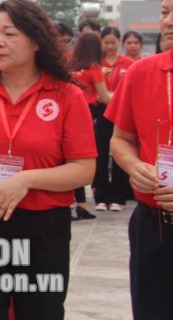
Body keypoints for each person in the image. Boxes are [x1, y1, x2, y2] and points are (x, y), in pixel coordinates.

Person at [0, 0, 96, 320]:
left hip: (42, 227)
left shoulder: (66, 96)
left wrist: (26, 179)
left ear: (37, 41)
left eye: (9, 34)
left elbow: (84, 170)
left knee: (41, 311)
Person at [105, 0, 173, 319]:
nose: (169, 22)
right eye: (165, 12)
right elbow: (120, 139)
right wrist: (134, 166)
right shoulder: (143, 72)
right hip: (154, 224)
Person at [67, 32, 110, 220]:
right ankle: (81, 204)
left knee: (68, 158)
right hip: (87, 113)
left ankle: (76, 202)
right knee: (82, 159)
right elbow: (104, 97)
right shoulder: (94, 67)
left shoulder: (68, 63)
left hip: (66, 111)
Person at [95, 26, 135, 211]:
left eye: (113, 42)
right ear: (101, 43)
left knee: (120, 151)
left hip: (122, 112)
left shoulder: (128, 63)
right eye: (106, 42)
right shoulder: (96, 64)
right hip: (101, 111)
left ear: (119, 42)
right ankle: (102, 196)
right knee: (101, 154)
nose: (110, 46)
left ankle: (118, 197)